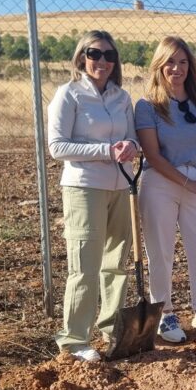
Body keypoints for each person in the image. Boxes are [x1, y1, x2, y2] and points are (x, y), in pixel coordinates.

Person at [48, 30, 139, 362]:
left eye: (109, 55)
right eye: (94, 53)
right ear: (81, 57)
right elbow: (57, 146)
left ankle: (111, 329)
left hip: (121, 186)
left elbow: (133, 140)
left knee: (116, 263)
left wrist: (132, 146)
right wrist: (105, 150)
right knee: (84, 265)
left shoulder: (121, 97)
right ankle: (74, 340)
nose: (102, 61)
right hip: (84, 186)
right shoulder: (69, 94)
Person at [134, 36, 196, 343]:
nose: (177, 68)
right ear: (159, 65)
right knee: (161, 251)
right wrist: (189, 182)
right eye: (170, 62)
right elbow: (153, 155)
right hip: (162, 182)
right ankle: (164, 312)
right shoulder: (148, 106)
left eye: (183, 62)